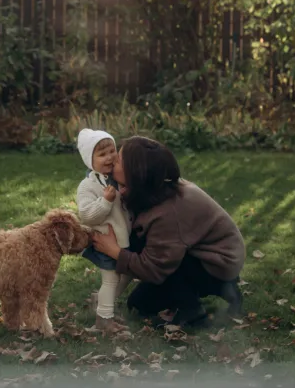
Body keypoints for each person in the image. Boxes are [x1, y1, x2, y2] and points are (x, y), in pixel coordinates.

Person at [91, 136, 245, 327]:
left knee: (143, 247)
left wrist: (113, 250)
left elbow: (153, 267)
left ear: (137, 172)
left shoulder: (168, 212)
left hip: (218, 262)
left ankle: (194, 313)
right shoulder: (155, 188)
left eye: (120, 160)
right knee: (139, 305)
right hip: (195, 253)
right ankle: (223, 289)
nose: (113, 161)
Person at [75, 128, 133, 332]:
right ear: (90, 161)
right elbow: (86, 215)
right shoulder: (88, 186)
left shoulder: (116, 179)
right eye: (102, 154)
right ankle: (103, 320)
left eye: (112, 151)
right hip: (105, 241)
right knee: (111, 279)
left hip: (124, 239)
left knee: (126, 275)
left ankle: (101, 302)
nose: (109, 157)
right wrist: (106, 202)